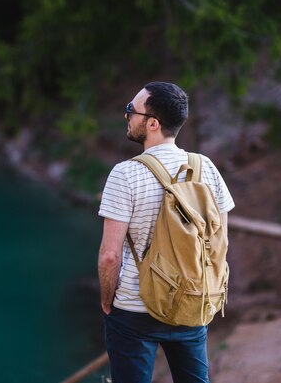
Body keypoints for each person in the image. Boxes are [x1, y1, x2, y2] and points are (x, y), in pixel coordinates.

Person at [97, 82, 235, 383]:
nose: (126, 116)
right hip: (191, 301)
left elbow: (110, 256)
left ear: (153, 123)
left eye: (131, 111)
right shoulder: (206, 168)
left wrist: (108, 300)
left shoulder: (125, 174)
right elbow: (220, 241)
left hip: (134, 309)